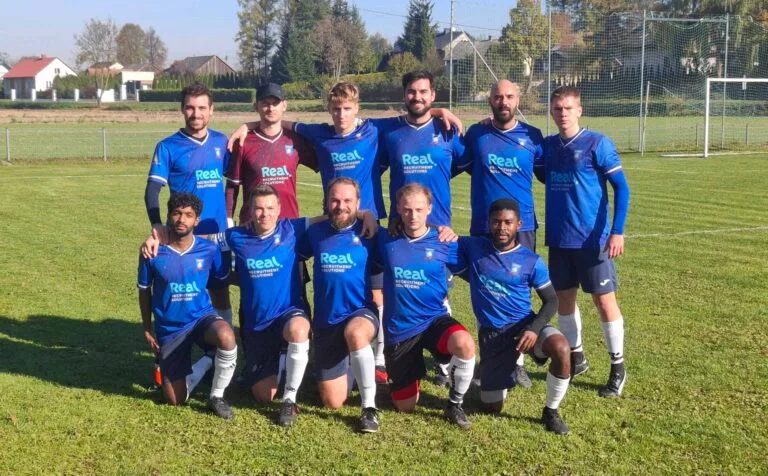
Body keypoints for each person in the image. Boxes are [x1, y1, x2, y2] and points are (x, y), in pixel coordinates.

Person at [228, 81, 462, 385]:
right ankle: (319, 349)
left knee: (379, 291)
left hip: (369, 224)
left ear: (357, 108)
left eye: (347, 108)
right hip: (334, 223)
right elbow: (282, 122)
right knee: (334, 282)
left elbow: (416, 114)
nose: (341, 114)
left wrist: (440, 108)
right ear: (329, 110)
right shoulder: (320, 133)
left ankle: (379, 358)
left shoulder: (374, 130)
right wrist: (247, 125)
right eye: (336, 109)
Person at [535, 86, 631, 397]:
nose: (562, 113)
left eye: (568, 108)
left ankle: (618, 367)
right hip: (560, 241)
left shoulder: (597, 144)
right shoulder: (547, 147)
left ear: (579, 110)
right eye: (557, 108)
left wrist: (617, 231)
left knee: (604, 302)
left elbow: (622, 188)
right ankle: (577, 357)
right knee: (564, 302)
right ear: (552, 112)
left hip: (593, 242)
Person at [454, 199, 571, 434]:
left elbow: (552, 300)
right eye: (496, 222)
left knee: (561, 348)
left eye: (508, 222)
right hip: (493, 335)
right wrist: (441, 230)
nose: (502, 227)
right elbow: (439, 238)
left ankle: (552, 410)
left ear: (519, 224)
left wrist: (534, 328)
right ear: (488, 223)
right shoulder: (474, 247)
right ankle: (498, 374)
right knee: (491, 407)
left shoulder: (531, 261)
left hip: (524, 326)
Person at [458, 79, 546, 389]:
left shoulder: (533, 137)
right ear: (490, 101)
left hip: (522, 228)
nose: (503, 101)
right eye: (497, 96)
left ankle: (517, 361)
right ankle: (491, 353)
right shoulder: (477, 134)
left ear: (518, 99)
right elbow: (456, 162)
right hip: (484, 227)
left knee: (519, 292)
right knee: (487, 292)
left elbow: (550, 172)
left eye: (509, 96)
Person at [373, 183, 476, 429]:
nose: (413, 216)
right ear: (398, 208)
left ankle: (455, 403)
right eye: (407, 210)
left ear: (429, 208)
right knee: (405, 406)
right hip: (400, 330)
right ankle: (410, 373)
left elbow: (480, 258)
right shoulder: (386, 240)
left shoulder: (444, 241)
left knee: (465, 344)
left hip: (433, 321)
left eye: (419, 209)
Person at [137, 193, 237, 420]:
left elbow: (222, 281)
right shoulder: (151, 251)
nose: (182, 219)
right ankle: (207, 360)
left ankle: (216, 396)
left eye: (188, 215)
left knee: (227, 336)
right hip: (171, 328)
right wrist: (146, 326)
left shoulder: (208, 250)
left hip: (200, 319)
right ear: (169, 216)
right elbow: (144, 290)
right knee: (175, 400)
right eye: (177, 213)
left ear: (197, 220)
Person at [296, 177, 382, 433]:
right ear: (326, 202)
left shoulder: (371, 233)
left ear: (358, 203)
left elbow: (409, 237)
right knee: (333, 402)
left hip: (360, 314)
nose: (340, 206)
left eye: (347, 201)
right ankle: (353, 367)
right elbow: (292, 255)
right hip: (326, 323)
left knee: (355, 333)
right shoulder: (315, 234)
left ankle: (369, 408)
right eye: (335, 200)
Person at [144, 82, 233, 325]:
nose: (197, 114)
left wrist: (231, 218)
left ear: (212, 110)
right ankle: (177, 344)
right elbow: (152, 191)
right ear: (182, 110)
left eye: (202, 108)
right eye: (191, 108)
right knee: (183, 295)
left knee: (220, 291)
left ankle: (221, 351)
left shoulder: (220, 141)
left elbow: (234, 179)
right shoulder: (168, 147)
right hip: (183, 238)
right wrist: (156, 225)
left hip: (217, 235)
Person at [225, 82, 318, 224]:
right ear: (256, 106)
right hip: (254, 226)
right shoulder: (243, 141)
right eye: (265, 103)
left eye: (275, 103)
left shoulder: (295, 140)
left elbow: (326, 164)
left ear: (285, 105)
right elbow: (232, 186)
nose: (270, 108)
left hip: (289, 226)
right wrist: (229, 220)